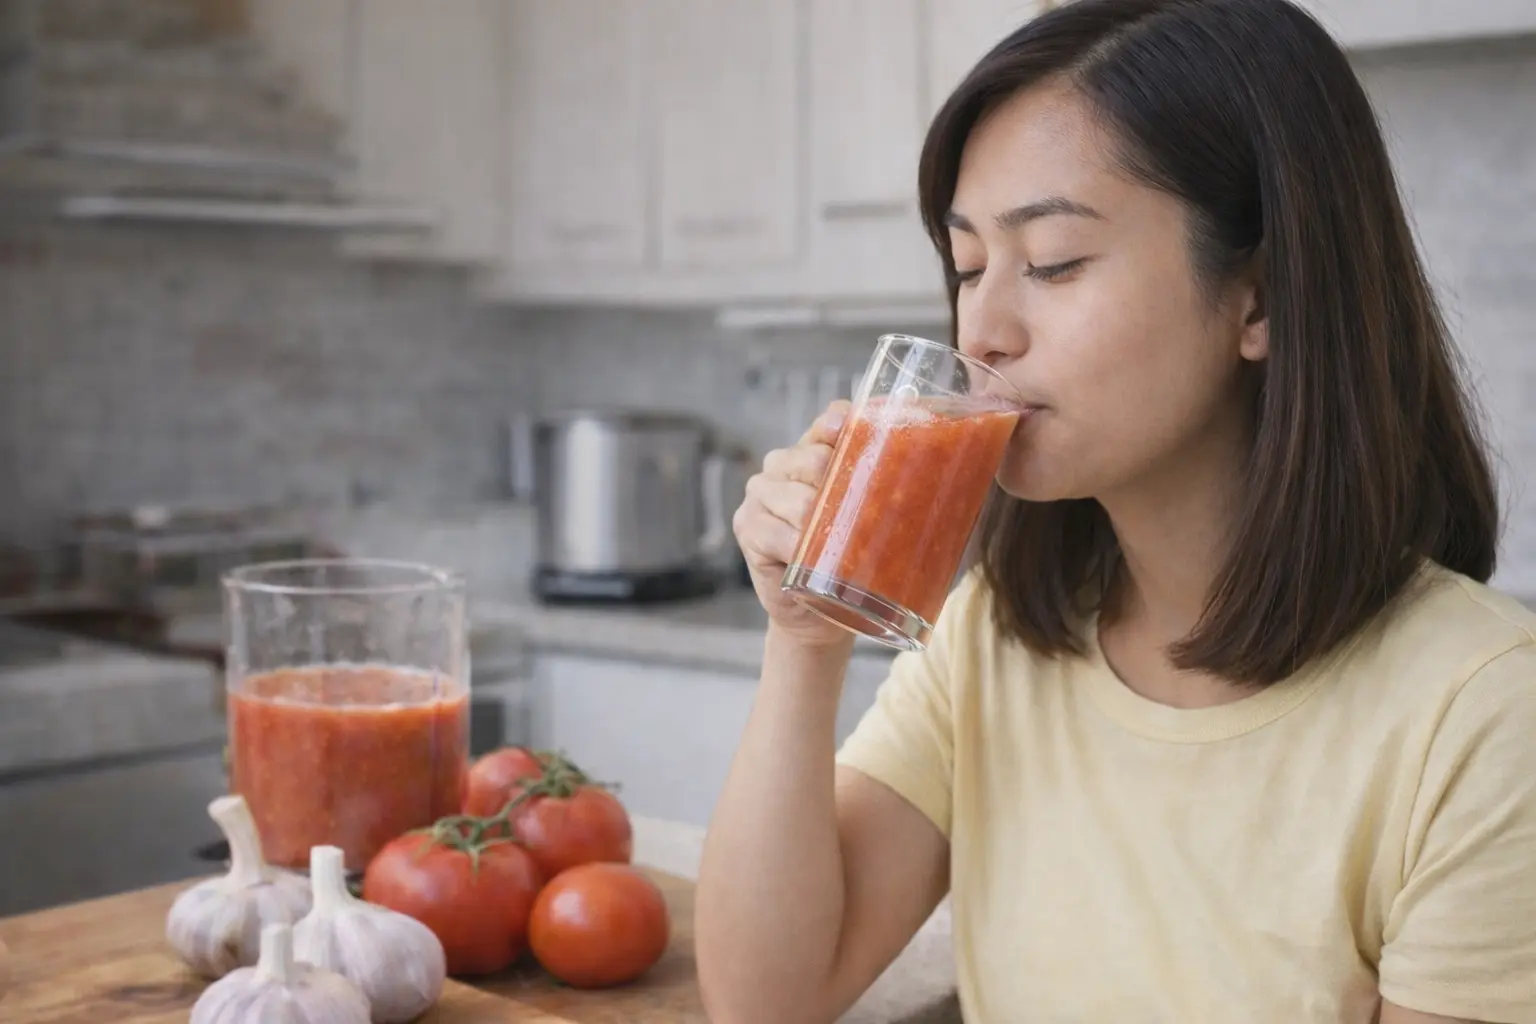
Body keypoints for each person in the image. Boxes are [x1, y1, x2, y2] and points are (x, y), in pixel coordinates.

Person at [694, 0, 1536, 1021]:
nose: (984, 328)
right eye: (967, 267)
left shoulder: (1488, 717)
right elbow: (762, 998)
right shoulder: (997, 636)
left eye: (1051, 261)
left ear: (1259, 299)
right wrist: (806, 638)